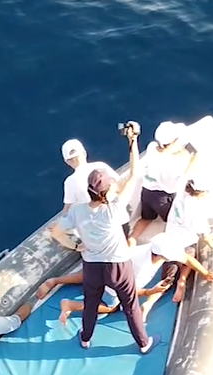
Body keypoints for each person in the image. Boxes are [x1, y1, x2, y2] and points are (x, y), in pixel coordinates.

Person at [47, 122, 159, 354]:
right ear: (106, 191)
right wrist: (133, 141)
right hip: (118, 266)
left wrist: (77, 245)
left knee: (90, 305)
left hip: (92, 266)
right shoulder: (115, 209)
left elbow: (56, 231)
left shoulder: (78, 211)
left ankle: (86, 339)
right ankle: (143, 343)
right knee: (130, 306)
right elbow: (134, 174)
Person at [39, 233, 213, 324]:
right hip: (114, 281)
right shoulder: (141, 267)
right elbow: (129, 291)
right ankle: (71, 305)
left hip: (103, 267)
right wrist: (151, 292)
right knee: (110, 307)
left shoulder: (148, 249)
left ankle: (55, 280)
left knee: (89, 276)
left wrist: (204, 272)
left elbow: (186, 258)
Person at [128, 121, 197, 244]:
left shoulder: (151, 147)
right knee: (173, 223)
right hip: (163, 199)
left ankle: (132, 239)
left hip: (147, 193)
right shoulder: (175, 162)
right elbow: (186, 172)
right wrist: (194, 156)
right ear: (172, 143)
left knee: (146, 219)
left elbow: (169, 153)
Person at [161, 171, 213, 302]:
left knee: (167, 276)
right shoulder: (197, 210)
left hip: (169, 238)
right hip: (184, 244)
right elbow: (205, 235)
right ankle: (182, 280)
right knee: (190, 258)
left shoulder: (181, 193)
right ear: (201, 193)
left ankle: (151, 301)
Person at [59, 138, 121, 214]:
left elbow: (67, 209)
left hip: (95, 221)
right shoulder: (101, 165)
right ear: (84, 153)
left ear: (67, 162)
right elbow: (119, 185)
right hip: (118, 213)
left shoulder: (69, 182)